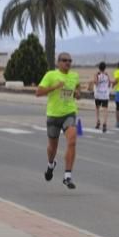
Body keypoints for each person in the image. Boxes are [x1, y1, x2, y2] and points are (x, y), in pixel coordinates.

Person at [36, 52, 81, 190]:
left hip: (70, 113)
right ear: (58, 62)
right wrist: (55, 87)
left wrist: (78, 93)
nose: (68, 62)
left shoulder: (74, 76)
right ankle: (51, 164)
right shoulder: (51, 75)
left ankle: (67, 176)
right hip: (53, 115)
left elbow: (77, 88)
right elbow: (38, 92)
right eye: (65, 60)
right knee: (52, 148)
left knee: (72, 140)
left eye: (70, 60)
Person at [91, 61, 111, 132]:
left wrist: (94, 78)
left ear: (99, 67)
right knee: (105, 109)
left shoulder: (97, 74)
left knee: (97, 108)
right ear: (105, 68)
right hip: (105, 95)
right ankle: (104, 123)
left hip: (98, 95)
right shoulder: (107, 75)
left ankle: (98, 121)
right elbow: (109, 84)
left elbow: (96, 83)